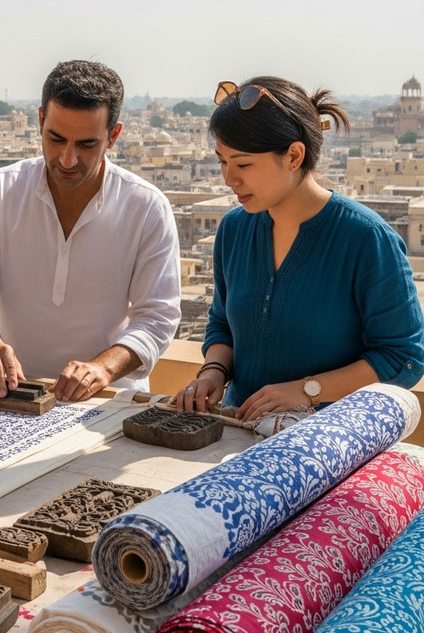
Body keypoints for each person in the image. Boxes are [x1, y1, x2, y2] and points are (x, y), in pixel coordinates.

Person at [177, 76, 424, 423]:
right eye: (222, 161)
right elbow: (222, 324)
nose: (229, 178)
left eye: (243, 164)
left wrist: (307, 390)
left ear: (294, 156)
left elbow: (403, 357)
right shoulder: (234, 229)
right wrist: (213, 372)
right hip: (237, 432)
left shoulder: (366, 239)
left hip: (327, 444)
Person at [0, 59, 181, 402]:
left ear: (113, 136)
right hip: (13, 396)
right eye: (56, 139)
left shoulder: (145, 207)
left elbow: (157, 317)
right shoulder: (0, 190)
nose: (67, 159)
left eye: (86, 145)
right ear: (40, 121)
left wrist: (102, 369)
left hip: (108, 401)